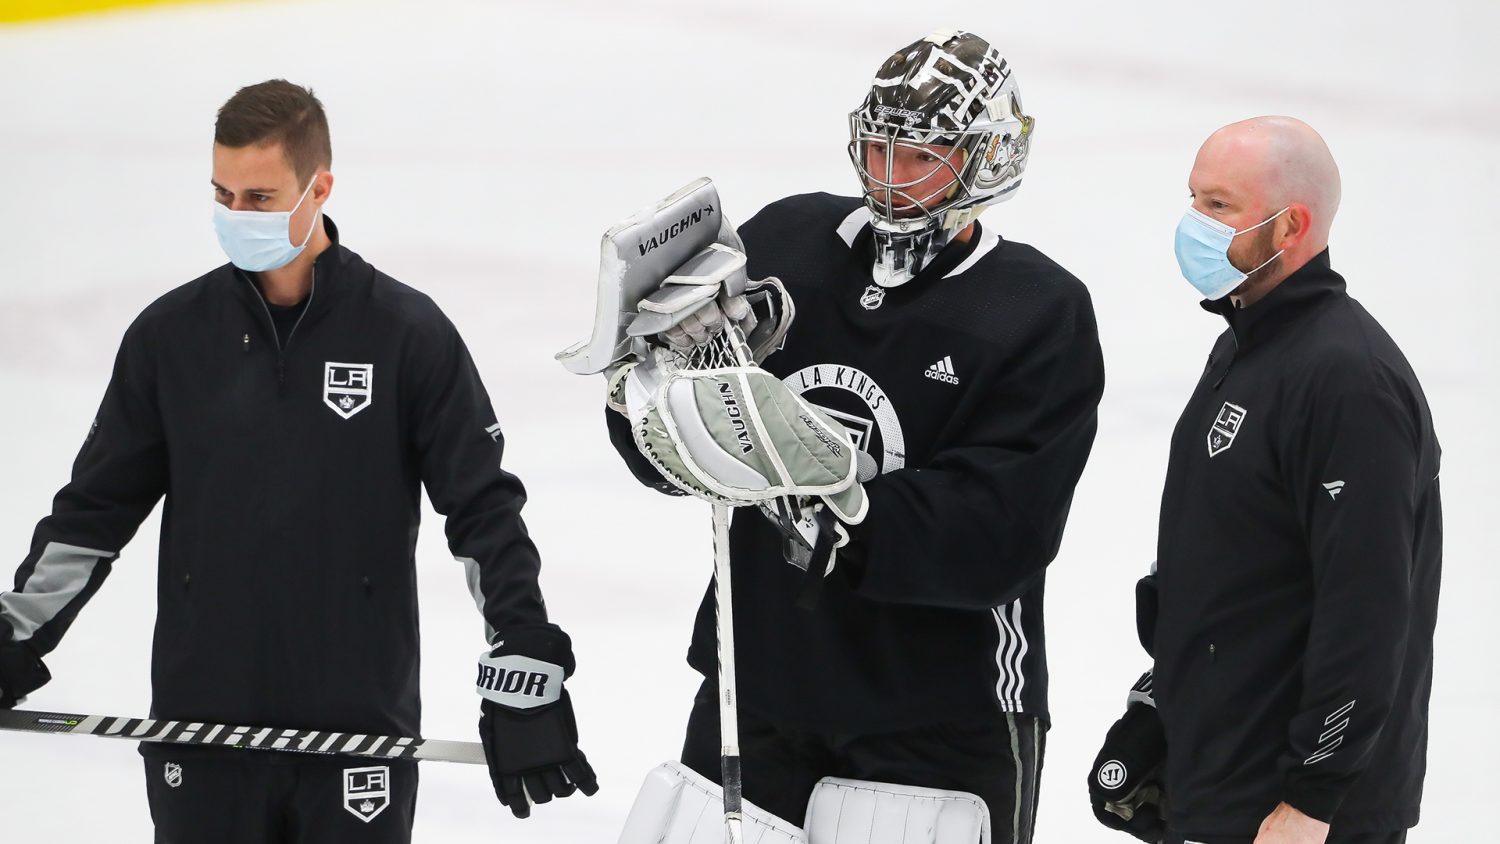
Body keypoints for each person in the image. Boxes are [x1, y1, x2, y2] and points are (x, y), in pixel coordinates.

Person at [0, 80, 595, 842]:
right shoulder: (169, 339)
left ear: (319, 189)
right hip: (200, 732)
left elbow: (481, 510)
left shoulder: (407, 335)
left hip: (358, 736)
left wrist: (524, 658)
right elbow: (93, 514)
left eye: (258, 196)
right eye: (222, 194)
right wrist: (13, 637)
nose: (235, 215)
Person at [606, 31, 1104, 841]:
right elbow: (682, 460)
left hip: (938, 716)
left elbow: (1004, 531)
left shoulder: (1035, 312)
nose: (888, 177)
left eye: (921, 157)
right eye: (876, 148)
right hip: (761, 682)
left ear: (987, 157)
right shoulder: (786, 246)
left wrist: (848, 498)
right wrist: (652, 395)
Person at [1087, 117, 1441, 844]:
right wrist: (1157, 714)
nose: (1194, 222)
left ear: (1291, 227)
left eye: (1219, 206)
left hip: (1297, 816)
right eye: (1194, 198)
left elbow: (1368, 611)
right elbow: (1220, 574)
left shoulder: (1348, 381)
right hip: (1222, 786)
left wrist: (1313, 800)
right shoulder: (1245, 350)